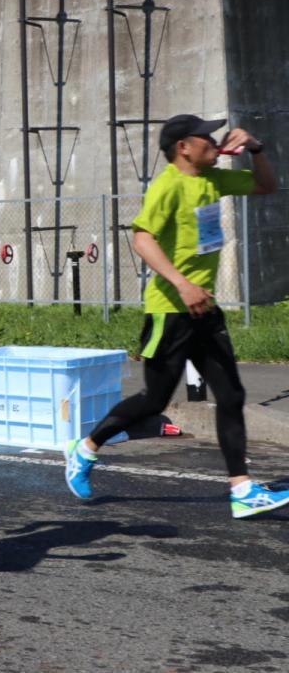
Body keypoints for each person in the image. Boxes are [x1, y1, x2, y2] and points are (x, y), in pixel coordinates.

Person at [64, 115, 288, 519]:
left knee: (232, 395)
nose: (214, 140)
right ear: (184, 146)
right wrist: (182, 284)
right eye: (206, 136)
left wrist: (256, 150)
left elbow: (266, 185)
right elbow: (142, 238)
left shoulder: (213, 180)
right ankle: (85, 449)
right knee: (154, 400)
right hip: (170, 311)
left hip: (205, 309)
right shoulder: (167, 185)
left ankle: (242, 490)